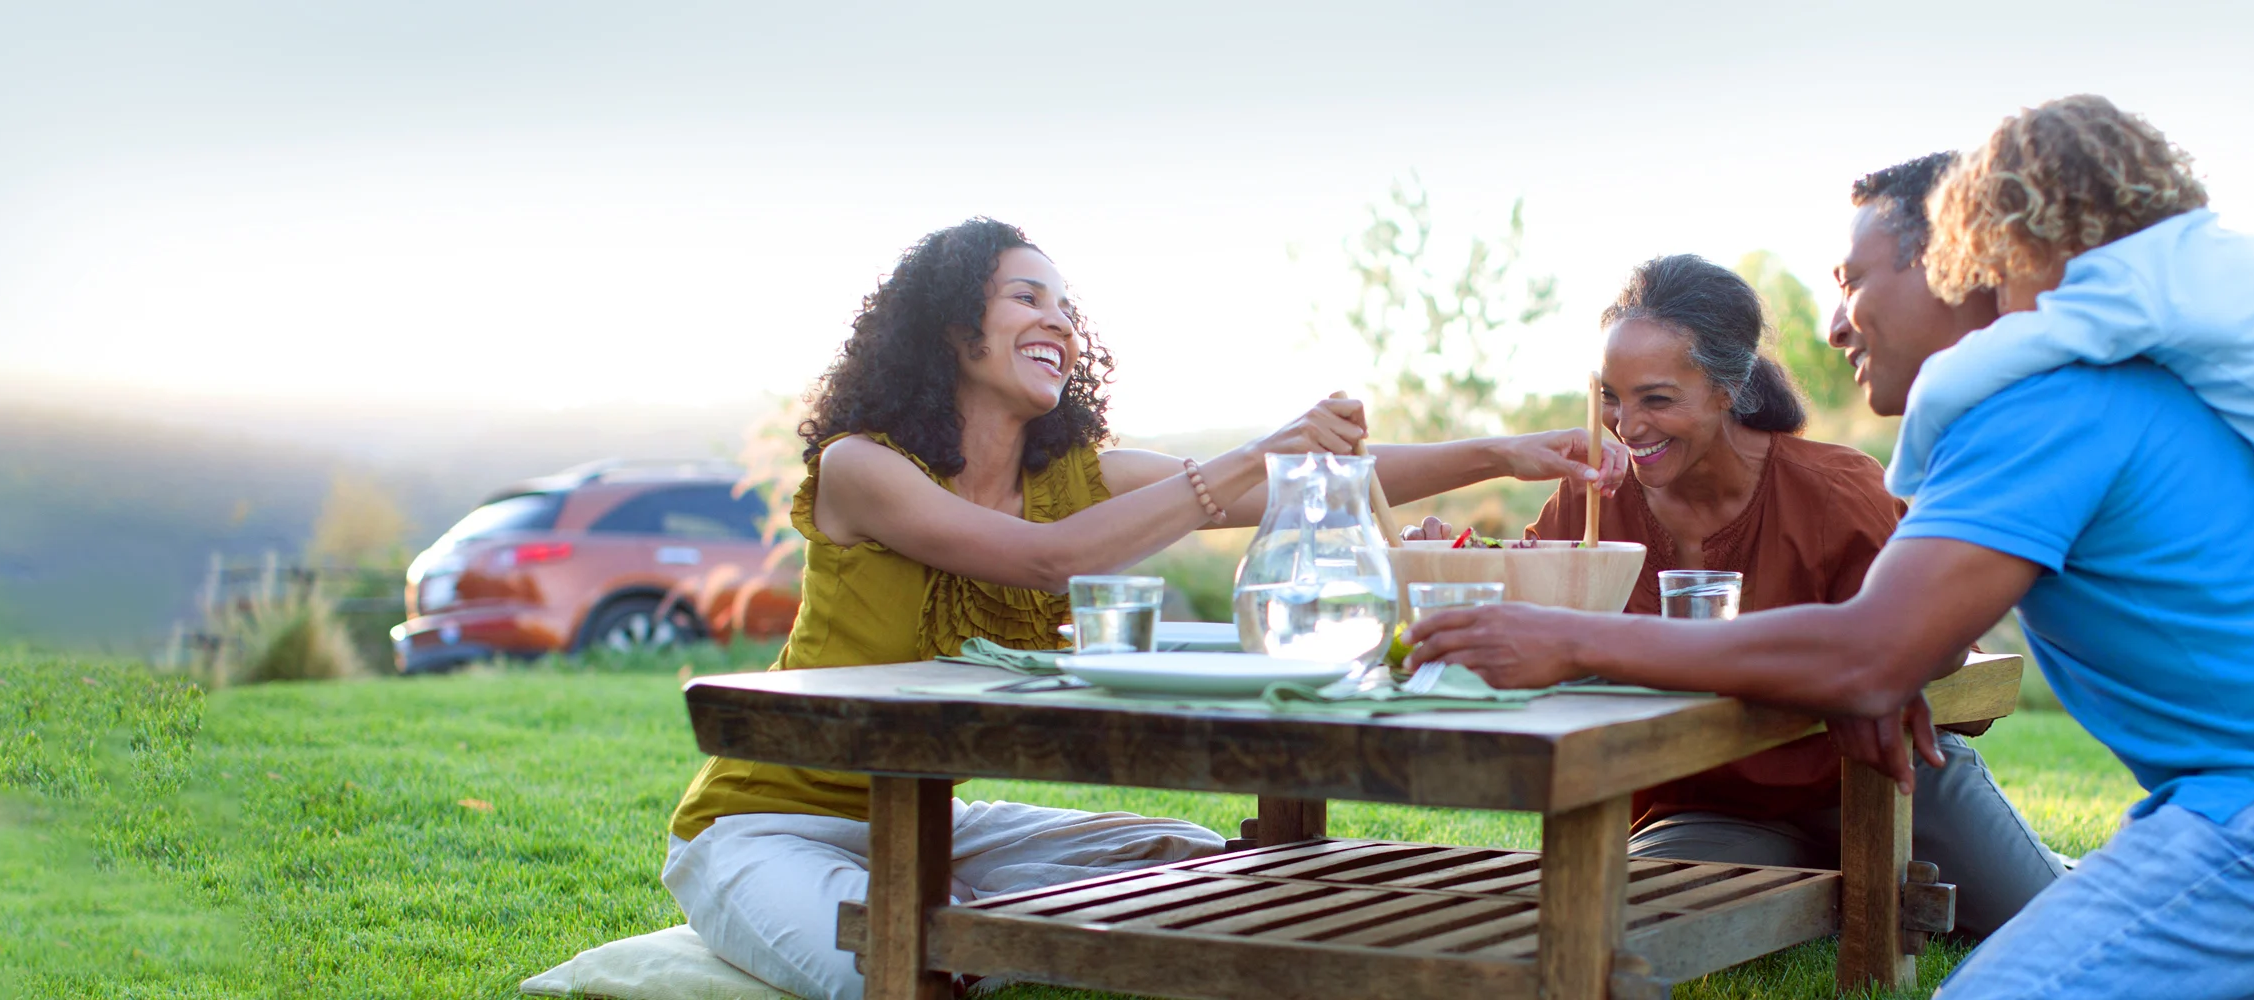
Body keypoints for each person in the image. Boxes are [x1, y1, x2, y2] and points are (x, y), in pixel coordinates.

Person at [1406, 101, 2254, 1000]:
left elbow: (1867, 652)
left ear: (1957, 266)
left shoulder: (2036, 411)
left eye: (1853, 282)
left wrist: (1572, 640)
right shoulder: (2066, 398)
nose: (1835, 324)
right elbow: (1884, 650)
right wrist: (1875, 669)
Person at [662, 218, 1626, 1000]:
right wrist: (1259, 451)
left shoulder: (1074, 476)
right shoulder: (862, 466)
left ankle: (967, 913)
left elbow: (1302, 488)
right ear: (955, 330)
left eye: (1067, 307)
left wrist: (1500, 452)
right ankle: (943, 931)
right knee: (895, 969)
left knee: (1202, 867)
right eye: (1026, 298)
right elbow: (1047, 564)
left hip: (936, 813)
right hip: (771, 822)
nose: (1060, 322)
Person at [1522, 251, 2063, 937]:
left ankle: (2040, 872)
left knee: (2056, 929)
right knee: (1610, 935)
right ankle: (1837, 892)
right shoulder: (1589, 505)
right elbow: (1528, 616)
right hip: (1709, 802)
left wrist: (1876, 678)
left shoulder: (1837, 492)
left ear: (1729, 387)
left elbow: (1927, 642)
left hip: (1876, 776)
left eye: (1656, 399)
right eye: (1610, 396)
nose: (1626, 428)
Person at [1888, 94, 2254, 539]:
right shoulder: (2212, 257)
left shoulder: (2129, 285)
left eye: (2001, 273)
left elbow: (1963, 374)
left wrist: (1905, 478)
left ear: (2032, 233)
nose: (2001, 305)